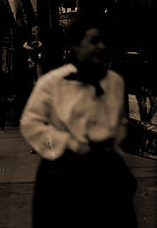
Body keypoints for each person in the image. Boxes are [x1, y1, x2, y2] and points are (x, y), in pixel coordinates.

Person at [20, 15, 136, 227]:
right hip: (64, 173)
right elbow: (31, 124)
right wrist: (70, 143)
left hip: (105, 172)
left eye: (104, 41)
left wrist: (116, 137)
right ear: (76, 45)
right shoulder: (53, 83)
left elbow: (118, 120)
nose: (101, 47)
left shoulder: (115, 82)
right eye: (93, 41)